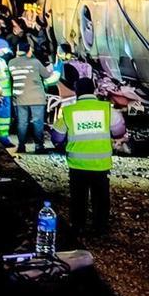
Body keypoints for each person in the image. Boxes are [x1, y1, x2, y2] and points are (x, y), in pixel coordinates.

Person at [50, 77, 126, 234]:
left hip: (77, 164)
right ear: (93, 90)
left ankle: (78, 226)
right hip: (101, 163)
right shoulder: (106, 109)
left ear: (77, 92)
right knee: (101, 197)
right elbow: (119, 131)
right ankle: (100, 227)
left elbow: (56, 137)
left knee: (78, 197)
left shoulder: (69, 111)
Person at [9, 42, 58, 153]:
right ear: (28, 51)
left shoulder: (11, 63)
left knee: (22, 123)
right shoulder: (35, 62)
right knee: (37, 122)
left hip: (20, 97)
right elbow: (46, 75)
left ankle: (21, 146)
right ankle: (39, 146)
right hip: (37, 97)